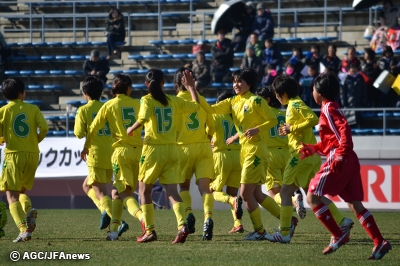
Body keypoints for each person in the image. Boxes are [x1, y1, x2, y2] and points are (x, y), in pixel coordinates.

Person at [300, 72, 392, 259]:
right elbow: (331, 141)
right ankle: (379, 241)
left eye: (313, 89)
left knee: (311, 196)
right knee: (354, 204)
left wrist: (339, 156)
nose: (312, 92)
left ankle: (338, 234)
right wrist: (313, 148)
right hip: (348, 157)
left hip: (340, 157)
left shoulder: (327, 108)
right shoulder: (331, 107)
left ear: (321, 92)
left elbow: (344, 130)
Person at [265, 75, 352, 243]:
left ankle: (283, 233)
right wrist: (291, 130)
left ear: (283, 93)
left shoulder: (295, 104)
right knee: (313, 193)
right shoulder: (293, 104)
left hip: (300, 154)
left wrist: (292, 128)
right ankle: (342, 221)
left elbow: (313, 118)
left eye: (277, 94)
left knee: (284, 192)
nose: (276, 97)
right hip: (308, 155)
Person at [198, 69, 282, 241]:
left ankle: (260, 231)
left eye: (240, 81)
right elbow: (210, 109)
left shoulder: (256, 101)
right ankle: (288, 220)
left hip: (256, 150)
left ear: (249, 84)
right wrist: (193, 90)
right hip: (243, 152)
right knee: (257, 194)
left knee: (244, 194)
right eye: (234, 81)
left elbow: (272, 120)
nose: (236, 84)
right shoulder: (232, 102)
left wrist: (257, 129)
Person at [126, 69, 200, 244]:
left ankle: (150, 231)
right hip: (172, 150)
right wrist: (191, 87)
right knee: (172, 191)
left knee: (145, 190)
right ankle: (182, 225)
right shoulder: (173, 101)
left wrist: (131, 128)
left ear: (146, 84)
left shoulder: (147, 100)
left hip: (153, 150)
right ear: (163, 83)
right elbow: (196, 106)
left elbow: (143, 118)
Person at [82, 74, 144, 241]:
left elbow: (93, 128)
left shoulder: (109, 105)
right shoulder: (139, 103)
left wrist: (86, 147)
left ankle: (142, 218)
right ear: (129, 89)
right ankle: (114, 231)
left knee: (122, 194)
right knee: (118, 193)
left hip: (121, 152)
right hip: (139, 151)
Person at [74, 76, 127, 235]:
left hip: (95, 153)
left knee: (100, 191)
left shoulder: (83, 110)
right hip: (111, 153)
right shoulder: (108, 106)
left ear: (85, 93)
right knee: (86, 186)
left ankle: (117, 220)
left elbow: (78, 133)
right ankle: (105, 211)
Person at [0, 78, 49, 242]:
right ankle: (28, 208)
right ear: (21, 93)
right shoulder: (33, 108)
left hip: (14, 155)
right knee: (21, 191)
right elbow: (45, 128)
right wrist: (35, 141)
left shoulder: (4, 111)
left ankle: (23, 229)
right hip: (33, 154)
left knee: (11, 195)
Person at [174, 67, 218, 240]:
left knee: (183, 187)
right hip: (203, 147)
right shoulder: (201, 99)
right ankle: (208, 218)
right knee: (205, 188)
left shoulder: (173, 102)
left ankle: (188, 213)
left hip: (182, 148)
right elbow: (212, 122)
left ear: (177, 84)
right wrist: (207, 134)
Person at [207, 91, 244, 234]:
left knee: (212, 191)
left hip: (222, 156)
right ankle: (238, 223)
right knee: (233, 192)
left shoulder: (216, 116)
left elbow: (209, 133)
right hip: (238, 156)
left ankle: (232, 202)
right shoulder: (239, 117)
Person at [255, 86, 289, 203]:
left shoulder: (261, 116)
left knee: (274, 193)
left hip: (270, 155)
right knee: (286, 190)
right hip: (286, 153)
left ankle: (294, 200)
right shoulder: (284, 114)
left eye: (258, 100)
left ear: (267, 100)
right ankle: (287, 220)